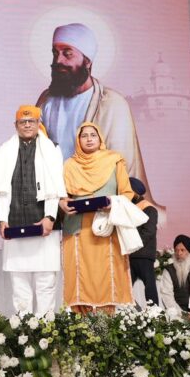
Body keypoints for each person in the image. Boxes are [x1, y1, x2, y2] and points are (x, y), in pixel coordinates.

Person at [36, 23, 159, 213]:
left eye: (67, 54)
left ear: (87, 61)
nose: (58, 60)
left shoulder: (113, 104)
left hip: (98, 201)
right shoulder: (46, 100)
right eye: (55, 53)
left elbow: (122, 167)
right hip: (56, 201)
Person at [0, 105, 65, 315]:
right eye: (22, 122)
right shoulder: (5, 150)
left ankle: (45, 328)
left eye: (31, 121)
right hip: (14, 223)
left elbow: (55, 186)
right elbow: (1, 190)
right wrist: (1, 220)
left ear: (38, 123)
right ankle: (24, 327)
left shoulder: (52, 148)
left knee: (46, 282)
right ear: (15, 125)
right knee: (19, 284)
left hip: (44, 223)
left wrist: (50, 217)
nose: (26, 125)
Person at [60, 122, 136, 313]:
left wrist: (113, 203)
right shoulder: (69, 165)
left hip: (106, 226)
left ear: (100, 138)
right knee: (79, 276)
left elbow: (127, 193)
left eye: (93, 135)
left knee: (106, 275)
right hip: (77, 229)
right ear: (78, 140)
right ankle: (80, 325)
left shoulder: (114, 160)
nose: (89, 139)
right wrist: (62, 203)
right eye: (84, 135)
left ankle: (106, 324)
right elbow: (62, 196)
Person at [128, 177, 159, 306]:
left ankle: (154, 314)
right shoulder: (128, 207)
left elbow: (149, 231)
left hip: (143, 254)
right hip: (130, 255)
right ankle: (131, 313)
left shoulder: (149, 208)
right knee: (125, 288)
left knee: (149, 288)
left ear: (135, 192)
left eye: (127, 190)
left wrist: (133, 245)